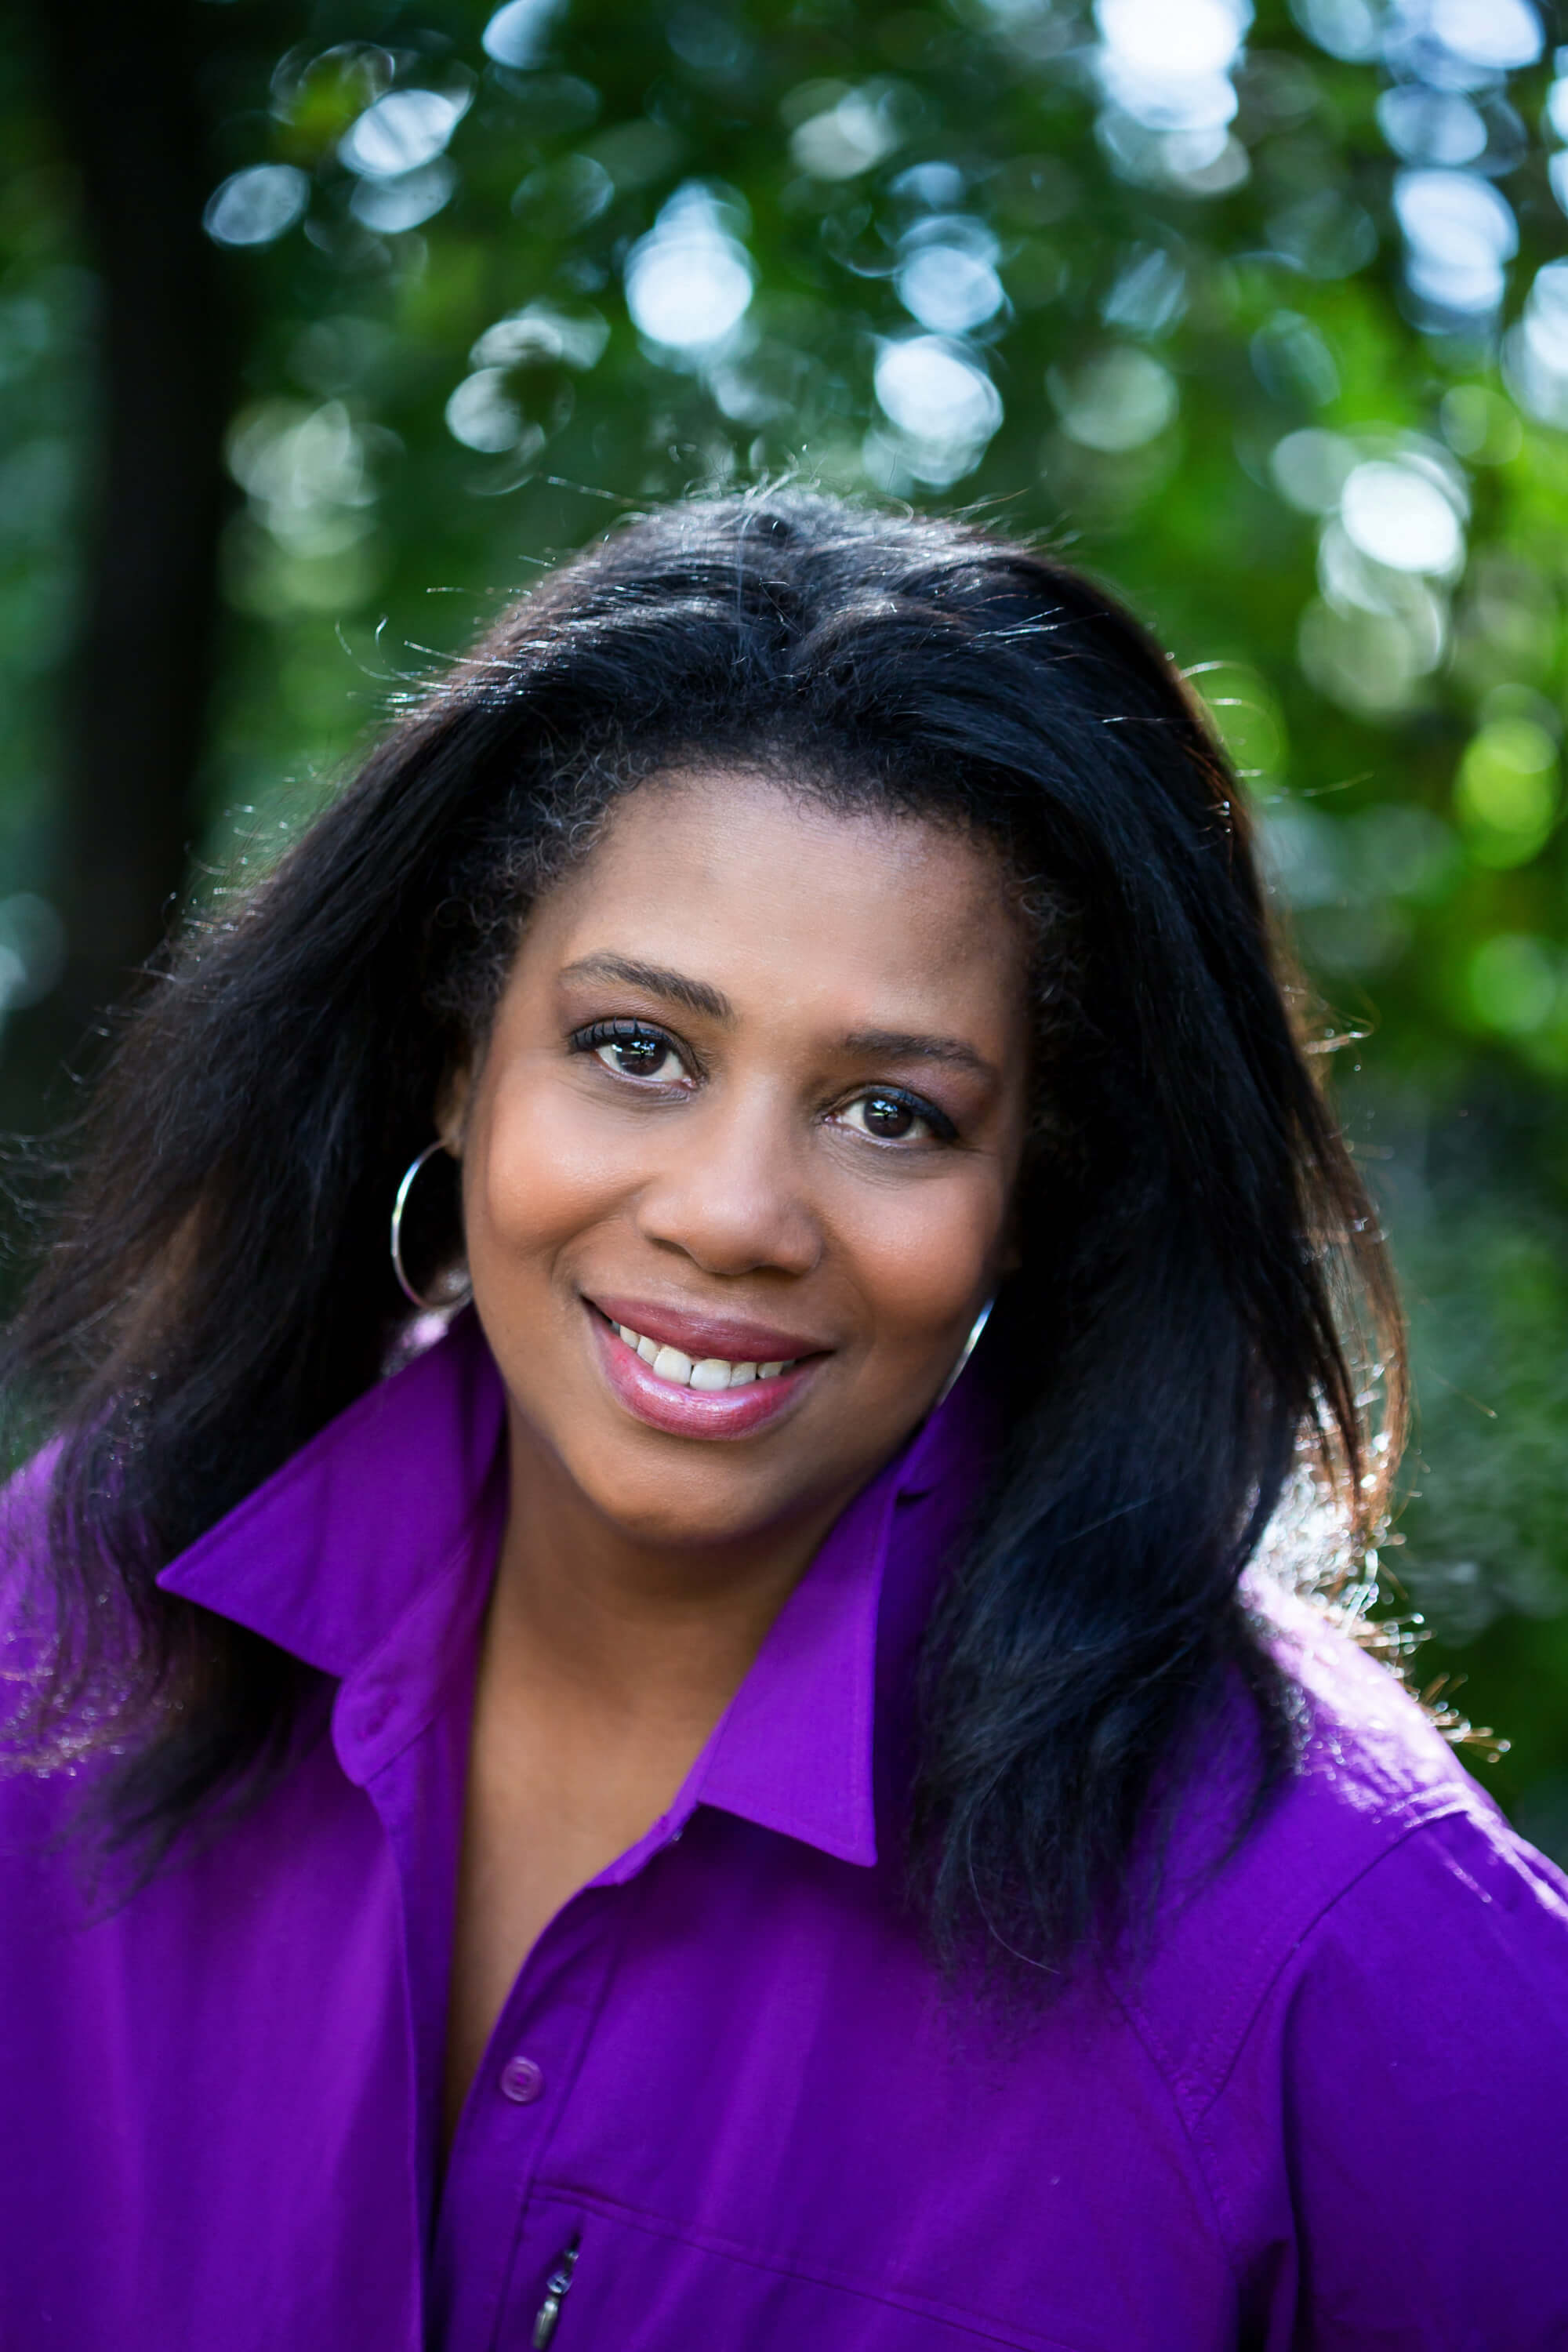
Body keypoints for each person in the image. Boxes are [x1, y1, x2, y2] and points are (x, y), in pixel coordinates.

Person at [0, 490, 1564, 2351]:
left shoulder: (1327, 1926)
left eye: (892, 1112)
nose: (735, 1212)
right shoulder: (78, 1617)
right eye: (635, 1050)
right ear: (455, 1062)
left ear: (1036, 1182)